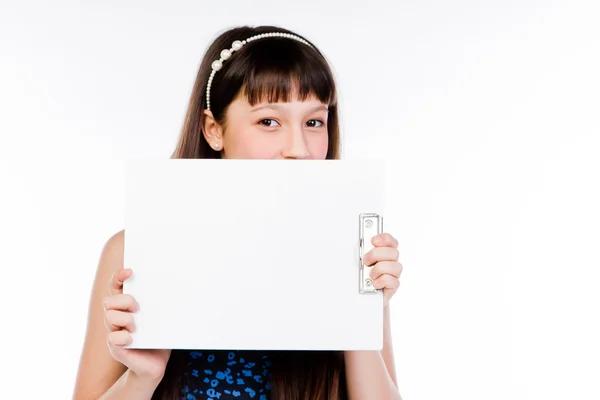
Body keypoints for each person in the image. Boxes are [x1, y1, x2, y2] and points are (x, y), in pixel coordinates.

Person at [72, 25, 404, 400]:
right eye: (268, 122)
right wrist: (141, 377)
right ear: (214, 129)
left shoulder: (356, 255)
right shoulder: (133, 251)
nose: (298, 148)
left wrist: (357, 313)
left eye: (314, 122)